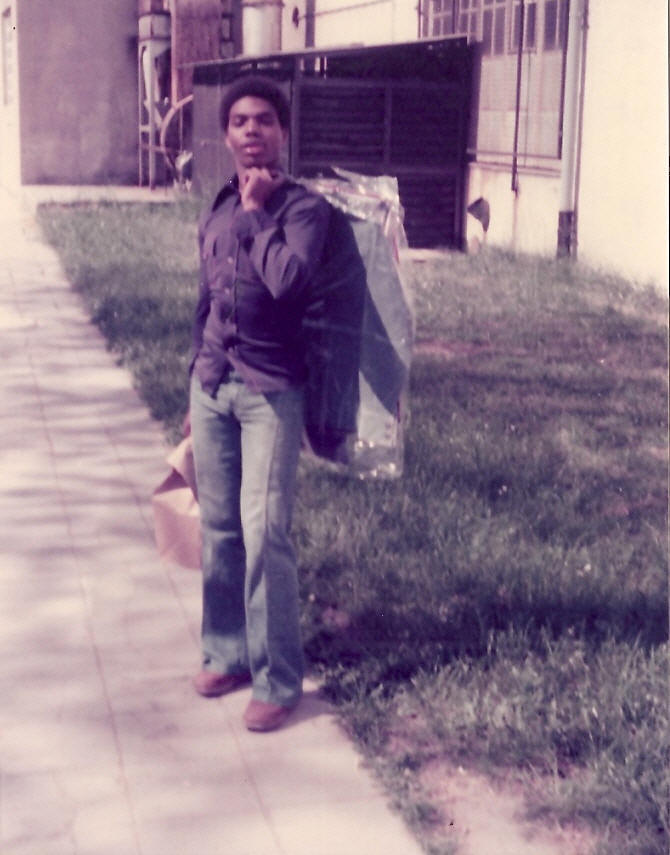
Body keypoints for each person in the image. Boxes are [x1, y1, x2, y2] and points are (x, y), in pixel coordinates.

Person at [186, 75, 331, 732]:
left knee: (265, 531)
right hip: (213, 384)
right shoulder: (216, 205)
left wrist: (255, 214)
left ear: (283, 132)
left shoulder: (302, 209)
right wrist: (194, 381)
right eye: (240, 121)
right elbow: (206, 300)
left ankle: (277, 679)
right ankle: (227, 652)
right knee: (219, 527)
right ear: (226, 135)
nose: (252, 130)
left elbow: (289, 283)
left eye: (265, 119)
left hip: (271, 389)